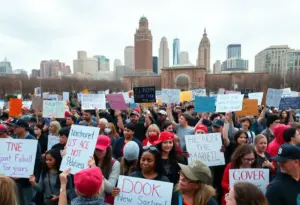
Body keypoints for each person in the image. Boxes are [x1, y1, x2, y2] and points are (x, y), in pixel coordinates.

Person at [14, 119, 41, 205]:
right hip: (15, 178)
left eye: (16, 127)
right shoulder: (15, 140)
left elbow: (36, 161)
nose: (13, 129)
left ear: (23, 128)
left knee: (28, 202)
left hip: (28, 180)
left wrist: (22, 174)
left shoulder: (32, 141)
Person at [89, 135, 120, 204]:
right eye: (97, 149)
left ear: (108, 148)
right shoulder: (89, 159)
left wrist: (96, 171)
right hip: (88, 198)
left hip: (102, 201)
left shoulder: (115, 164)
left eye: (101, 149)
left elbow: (110, 189)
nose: (98, 152)